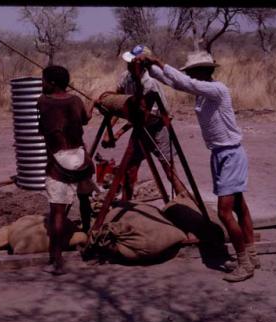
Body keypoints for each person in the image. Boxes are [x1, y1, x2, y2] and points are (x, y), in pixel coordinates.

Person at [138, 51, 259, 282]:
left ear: (205, 71)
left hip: (231, 154)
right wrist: (148, 69)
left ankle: (245, 262)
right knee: (239, 206)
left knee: (225, 212)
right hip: (220, 154)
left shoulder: (217, 90)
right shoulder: (201, 93)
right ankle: (251, 254)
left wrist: (158, 62)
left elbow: (184, 82)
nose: (191, 76)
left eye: (194, 72)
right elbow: (175, 82)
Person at [100, 44, 187, 201]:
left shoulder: (150, 84)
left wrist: (119, 133)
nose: (128, 64)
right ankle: (127, 204)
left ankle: (186, 202)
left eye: (133, 62)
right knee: (130, 169)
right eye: (129, 61)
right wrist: (108, 132)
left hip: (158, 127)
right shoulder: (125, 77)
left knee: (170, 171)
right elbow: (118, 103)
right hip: (140, 128)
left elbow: (146, 117)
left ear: (142, 64)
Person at [37, 65, 94, 275]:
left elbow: (43, 128)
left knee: (57, 213)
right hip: (80, 159)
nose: (42, 84)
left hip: (59, 162)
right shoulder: (76, 101)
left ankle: (56, 260)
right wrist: (92, 106)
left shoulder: (42, 101)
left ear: (52, 83)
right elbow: (85, 119)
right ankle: (90, 235)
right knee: (85, 198)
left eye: (44, 80)